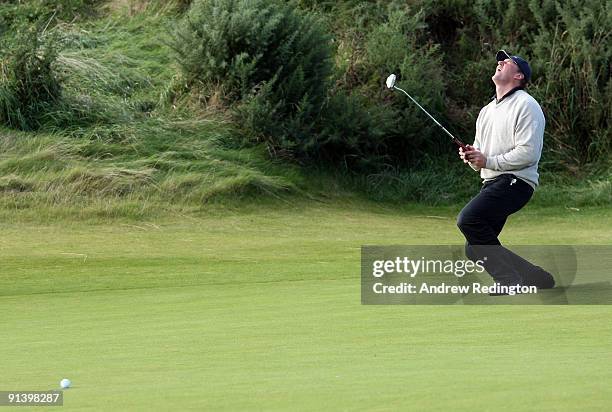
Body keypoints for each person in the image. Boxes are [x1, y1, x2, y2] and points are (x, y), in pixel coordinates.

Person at [457, 49, 555, 293]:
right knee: (475, 248)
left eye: (507, 61)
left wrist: (488, 160)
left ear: (519, 76)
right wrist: (471, 157)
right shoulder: (486, 111)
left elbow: (529, 153)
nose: (500, 62)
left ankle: (508, 280)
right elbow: (481, 158)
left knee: (468, 219)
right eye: (500, 60)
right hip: (492, 182)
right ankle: (535, 277)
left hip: (516, 182)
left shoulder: (527, 105)